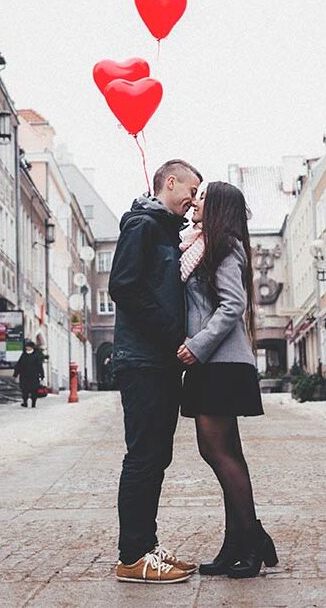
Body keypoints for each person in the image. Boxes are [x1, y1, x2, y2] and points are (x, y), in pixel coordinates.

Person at [177, 181, 277, 580]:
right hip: (211, 363)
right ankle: (239, 541)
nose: (194, 203)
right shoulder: (198, 245)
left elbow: (232, 304)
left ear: (217, 206)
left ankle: (251, 540)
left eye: (202, 198)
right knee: (222, 453)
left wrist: (197, 346)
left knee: (220, 453)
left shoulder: (225, 246)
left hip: (219, 361)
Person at [109, 159, 203, 584]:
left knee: (156, 457)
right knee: (144, 457)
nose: (194, 200)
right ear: (170, 181)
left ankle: (147, 547)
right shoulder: (142, 226)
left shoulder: (165, 230)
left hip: (160, 361)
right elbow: (124, 286)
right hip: (143, 360)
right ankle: (132, 556)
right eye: (192, 189)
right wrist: (172, 337)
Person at [13, 340, 45, 408]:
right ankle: (25, 402)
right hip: (24, 376)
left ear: (32, 347)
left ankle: (33, 403)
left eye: (28, 346)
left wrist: (42, 376)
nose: (27, 348)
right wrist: (15, 374)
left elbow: (39, 366)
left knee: (34, 390)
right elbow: (19, 365)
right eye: (26, 346)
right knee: (24, 390)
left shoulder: (36, 355)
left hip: (34, 376)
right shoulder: (23, 355)